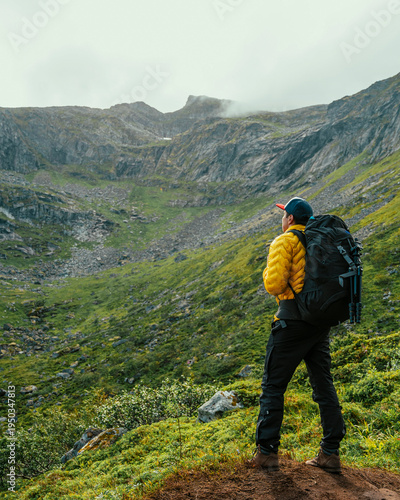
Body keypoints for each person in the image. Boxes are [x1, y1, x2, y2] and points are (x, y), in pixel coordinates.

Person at [249, 197, 346, 473]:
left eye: (284, 215)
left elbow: (275, 283)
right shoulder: (318, 239)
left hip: (291, 324)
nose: (282, 219)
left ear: (290, 219)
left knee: (273, 386)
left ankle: (266, 453)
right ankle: (330, 453)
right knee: (323, 385)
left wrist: (268, 270)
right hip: (318, 324)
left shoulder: (285, 241)